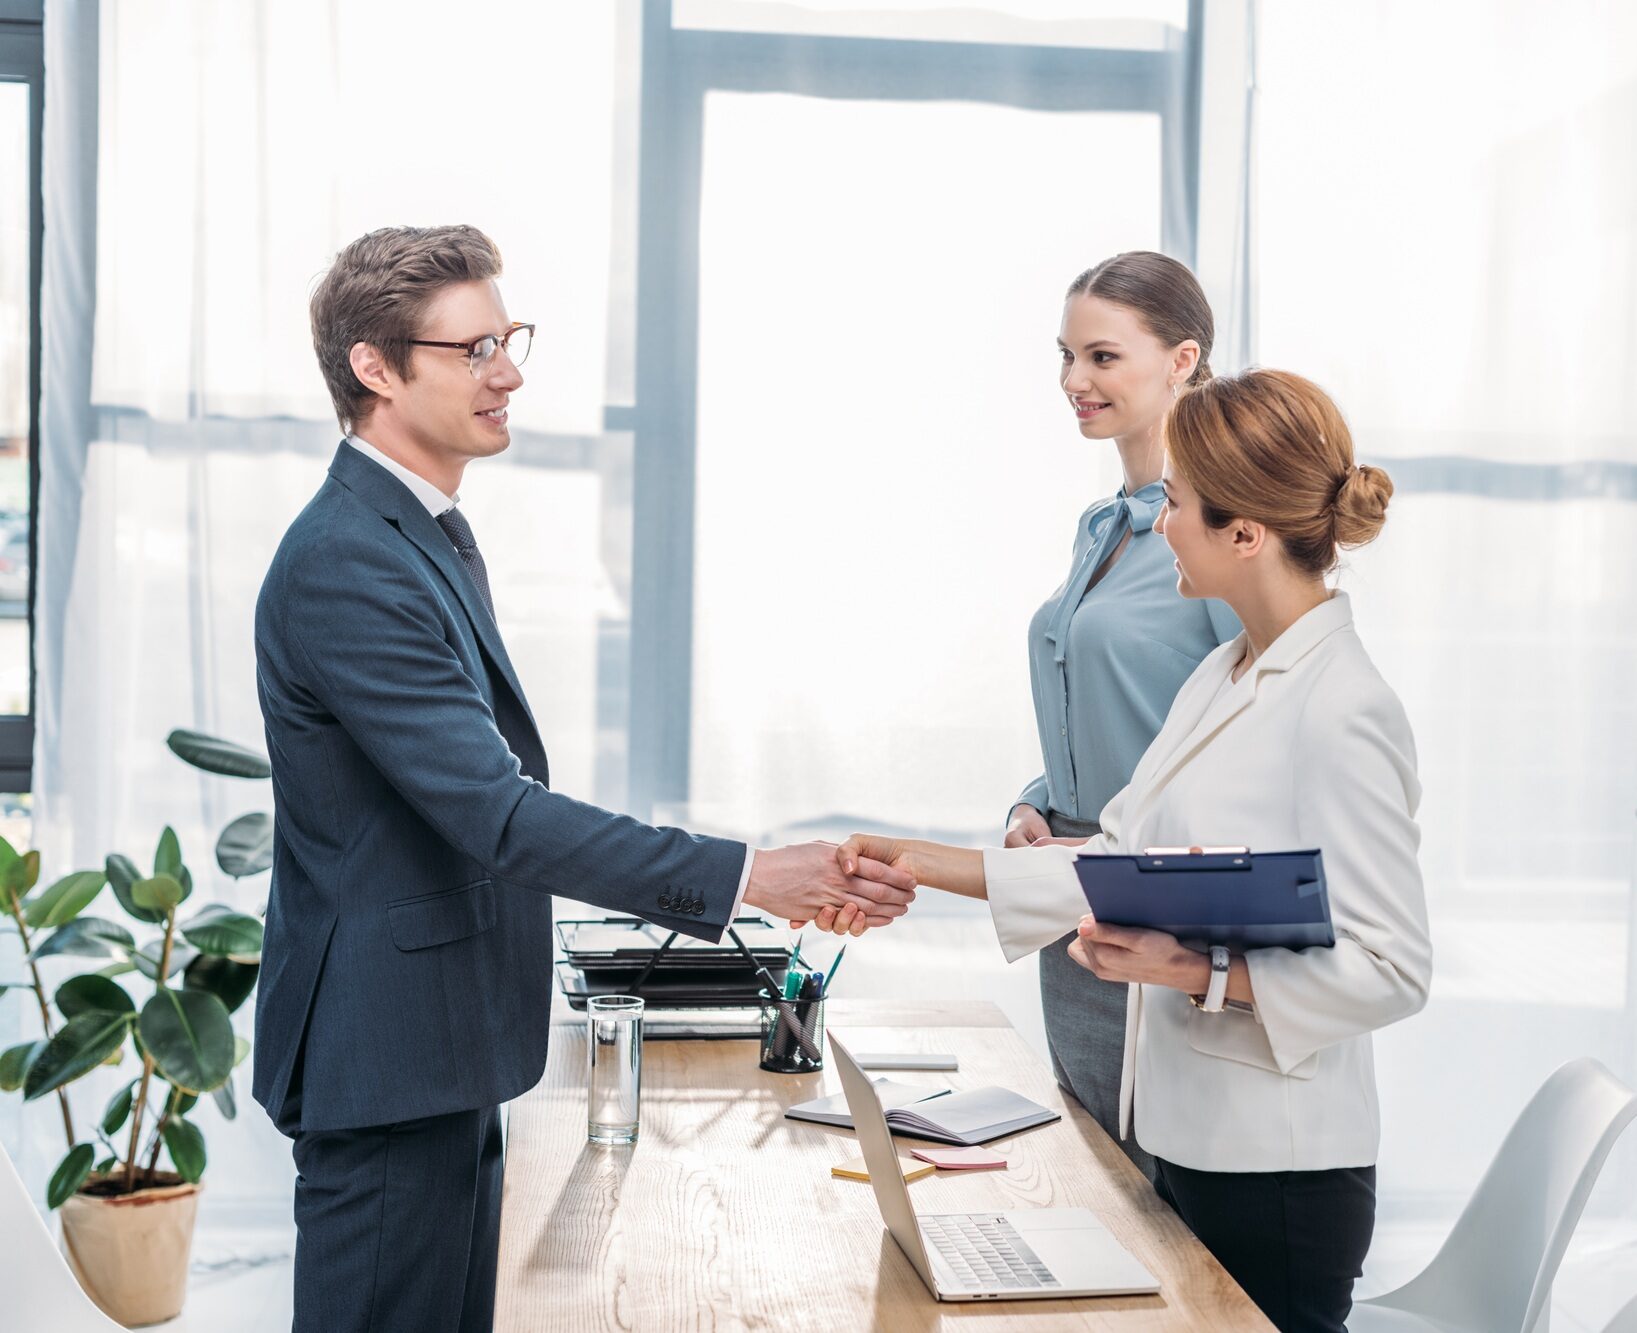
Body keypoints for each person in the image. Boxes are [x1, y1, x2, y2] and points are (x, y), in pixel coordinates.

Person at [252, 225, 915, 1333]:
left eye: (507, 339)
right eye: (471, 350)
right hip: (389, 1052)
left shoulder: (413, 533)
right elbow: (495, 815)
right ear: (374, 367)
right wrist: (752, 873)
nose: (507, 371)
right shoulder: (347, 562)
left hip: (438, 1042)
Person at [827, 369, 1433, 1333]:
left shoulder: (1342, 707)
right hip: (1190, 1138)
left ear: (1245, 534)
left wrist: (1191, 969)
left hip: (1276, 1172)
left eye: (1180, 505)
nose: (1159, 527)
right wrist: (918, 860)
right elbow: (1112, 856)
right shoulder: (1224, 670)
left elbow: (1392, 969)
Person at [1015, 252, 1239, 1179]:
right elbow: (1105, 702)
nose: (1074, 382)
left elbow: (1254, 724)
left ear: (1182, 358)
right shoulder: (1102, 526)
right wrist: (1036, 801)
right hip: (1071, 899)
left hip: (1165, 909)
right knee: (1099, 1189)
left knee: (1169, 1218)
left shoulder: (1224, 527)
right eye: (1065, 357)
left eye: (1101, 357)